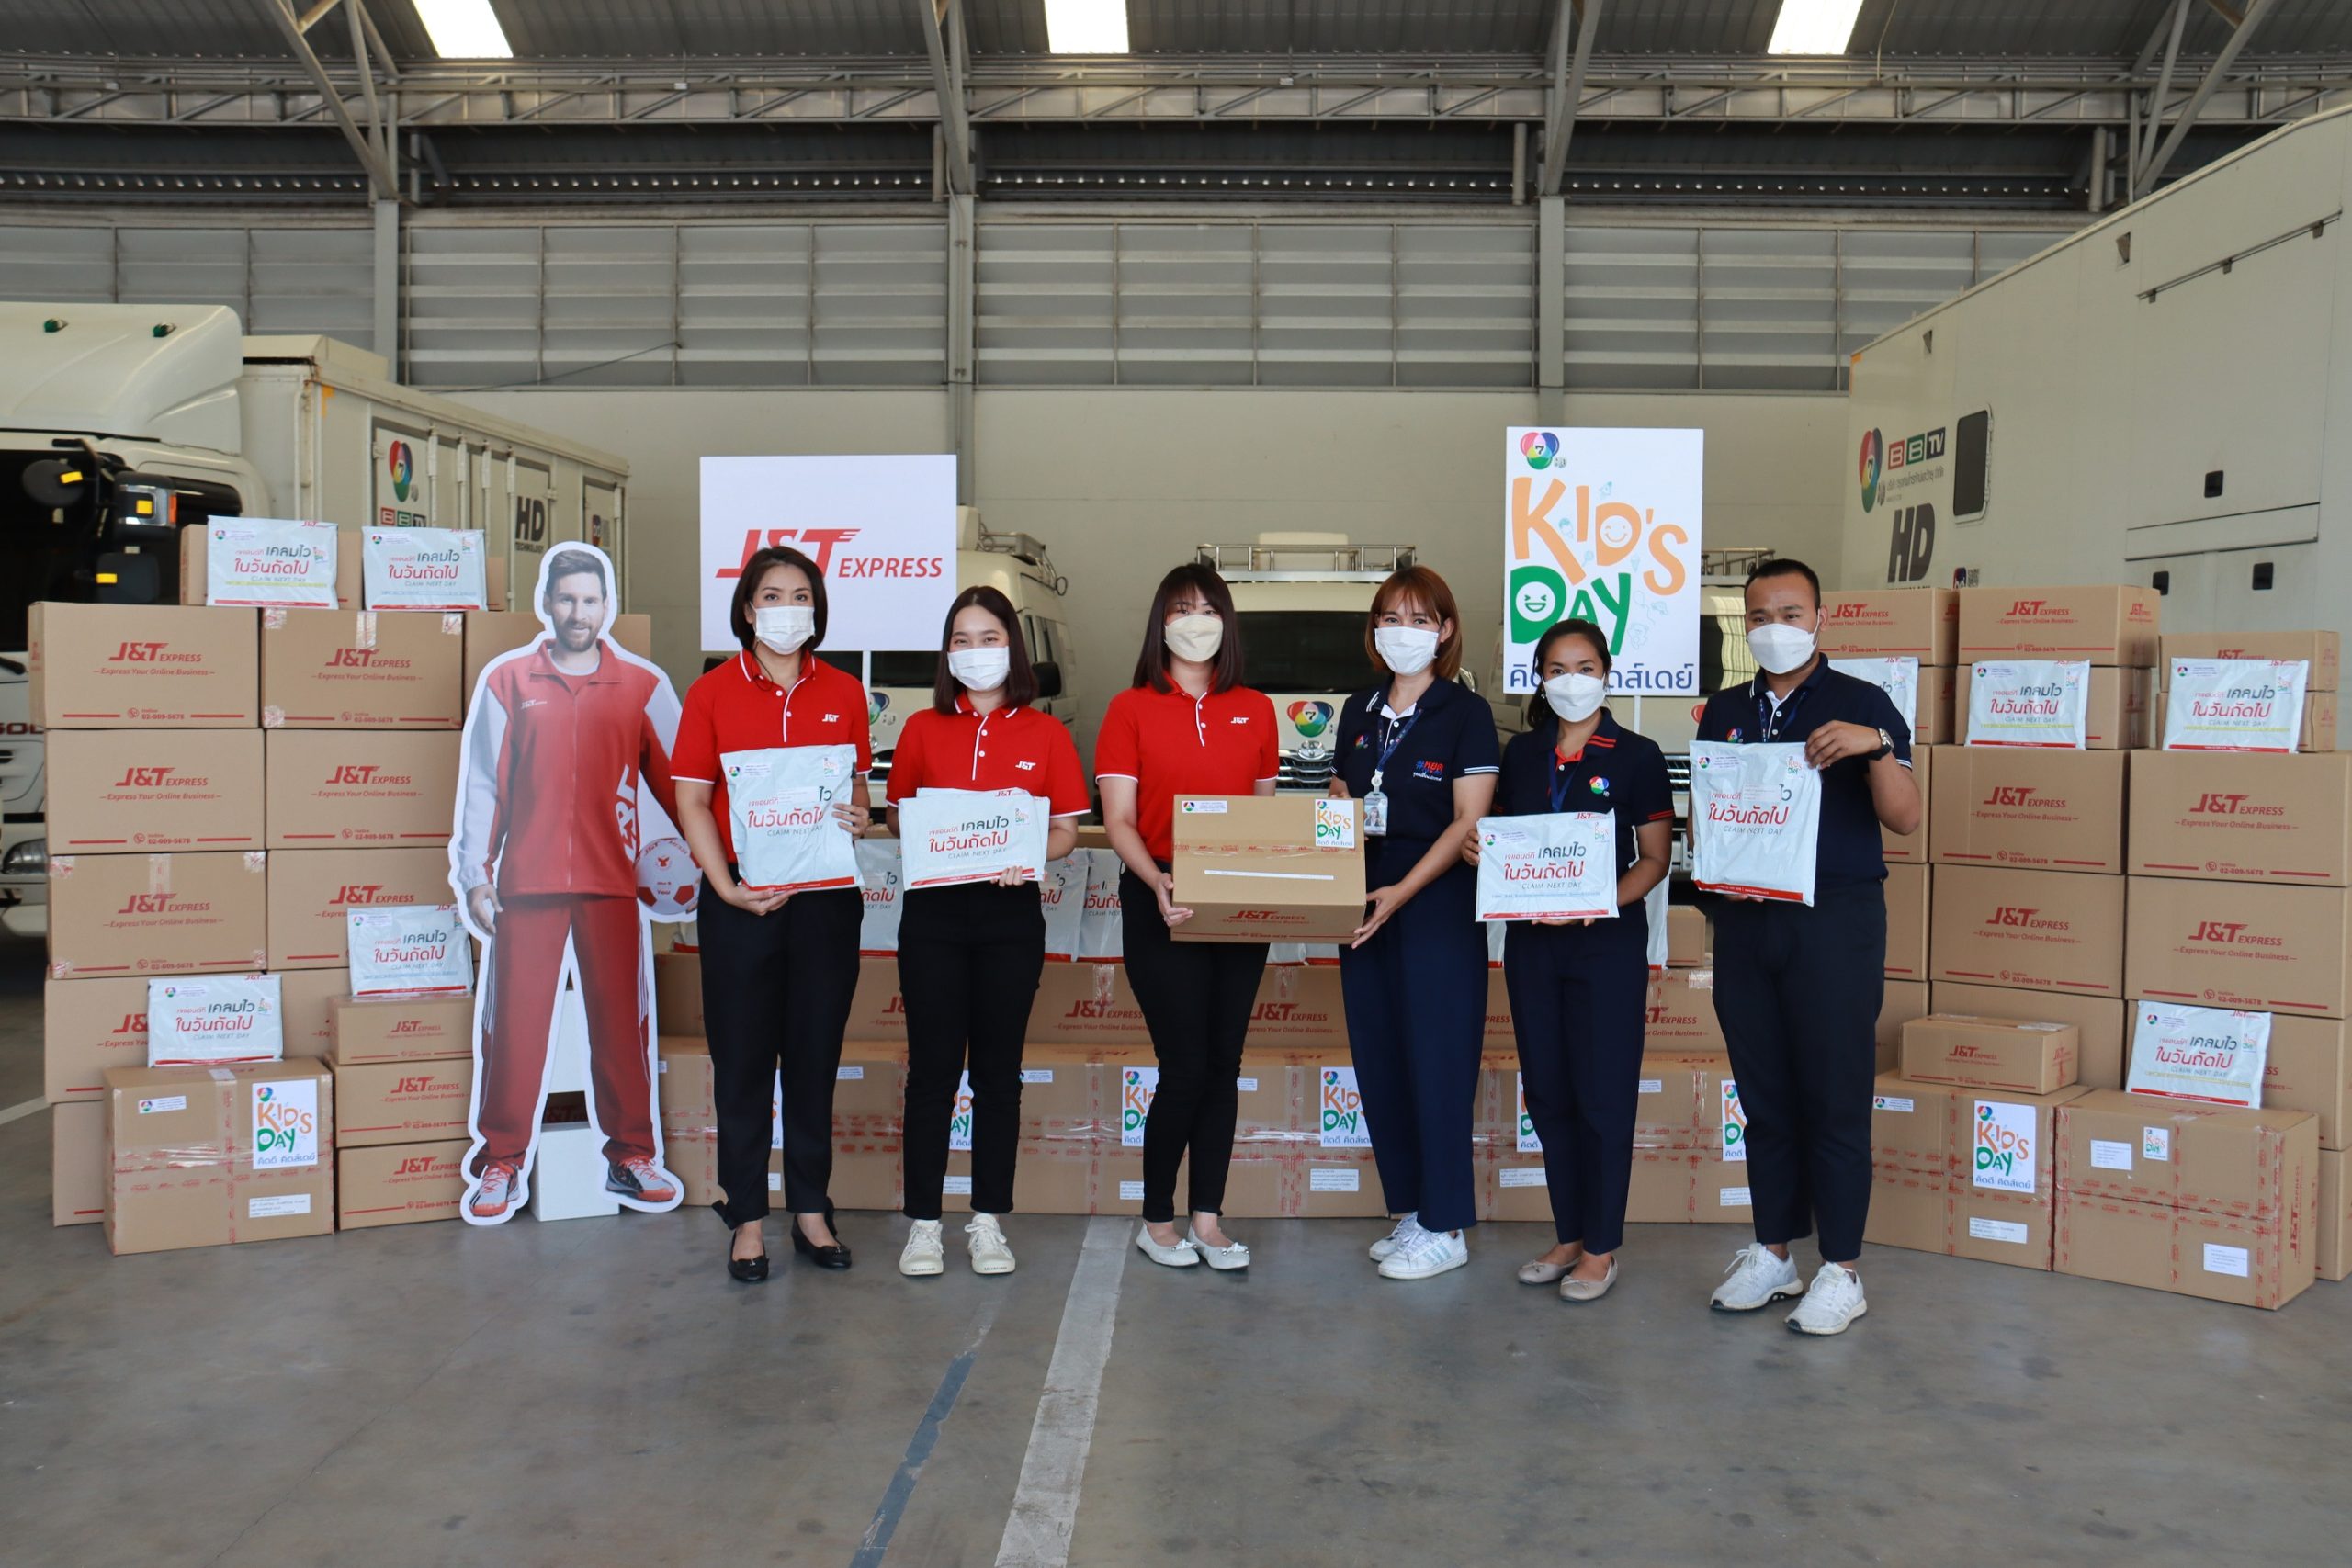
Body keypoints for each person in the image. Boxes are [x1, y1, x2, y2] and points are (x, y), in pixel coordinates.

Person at [1693, 557, 1918, 1336]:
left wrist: (1875, 746)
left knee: (1834, 1094)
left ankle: (1842, 1268)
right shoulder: (1725, 709)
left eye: (1790, 614)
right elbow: (1707, 814)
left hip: (1834, 925)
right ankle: (1773, 1252)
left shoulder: (1863, 703)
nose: (1774, 628)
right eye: (1759, 616)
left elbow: (1906, 817)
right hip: (1747, 926)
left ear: (1821, 619)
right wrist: (1719, 873)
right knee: (1764, 1097)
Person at [453, 545, 686, 1224]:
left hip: (612, 884)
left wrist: (723, 862)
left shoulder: (642, 686)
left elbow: (682, 788)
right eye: (567, 599)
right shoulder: (508, 681)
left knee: (621, 1028)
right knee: (517, 1029)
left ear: (606, 606)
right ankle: (501, 1161)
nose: (578, 612)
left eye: (590, 600)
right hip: (526, 886)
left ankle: (632, 1154)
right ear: (547, 603)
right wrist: (475, 874)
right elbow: (484, 785)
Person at [670, 545, 874, 1281]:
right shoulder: (712, 693)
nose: (788, 609)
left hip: (825, 904)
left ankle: (812, 1209)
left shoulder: (845, 691)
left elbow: (857, 789)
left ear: (817, 608)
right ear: (748, 610)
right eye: (772, 596)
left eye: (801, 596)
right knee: (744, 1063)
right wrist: (724, 886)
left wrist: (860, 813)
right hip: (741, 903)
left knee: (815, 1058)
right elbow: (692, 800)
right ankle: (748, 1217)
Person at [886, 586, 1088, 1279]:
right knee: (932, 1073)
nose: (976, 652)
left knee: (999, 1074)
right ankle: (922, 1223)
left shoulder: (1046, 734)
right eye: (962, 640)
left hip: (1009, 917)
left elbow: (1065, 831)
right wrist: (935, 830)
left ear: (1013, 648)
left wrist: (1022, 854)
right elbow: (897, 817)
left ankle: (988, 1221)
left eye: (990, 638)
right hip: (934, 918)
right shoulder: (921, 728)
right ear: (947, 653)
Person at [1474, 618, 1671, 1302]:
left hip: (1605, 945)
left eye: (1585, 668)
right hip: (1532, 945)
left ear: (1607, 674)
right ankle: (1568, 1234)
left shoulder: (1638, 754)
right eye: (1557, 670)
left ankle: (1602, 1247)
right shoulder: (1523, 754)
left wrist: (1599, 900)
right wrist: (1482, 851)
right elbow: (1503, 838)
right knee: (1548, 1092)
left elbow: (1655, 858)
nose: (1571, 681)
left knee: (1603, 1095)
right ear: (1540, 679)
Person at [1096, 563, 1279, 1270]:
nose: (1195, 620)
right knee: (1184, 1064)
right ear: (1160, 622)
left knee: (1223, 1063)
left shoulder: (1255, 708)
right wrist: (1157, 880)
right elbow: (1118, 819)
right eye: (1180, 607)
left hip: (1236, 901)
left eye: (1208, 607)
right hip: (1161, 897)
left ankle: (1208, 1217)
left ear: (1227, 621)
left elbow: (1262, 814)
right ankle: (1157, 1218)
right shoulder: (1129, 707)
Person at [1326, 567, 1498, 1280]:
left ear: (1445, 630)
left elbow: (1468, 820)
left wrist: (1399, 892)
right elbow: (1342, 796)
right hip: (1363, 898)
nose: (1404, 631)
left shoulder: (1465, 712)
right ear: (1375, 628)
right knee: (1381, 1055)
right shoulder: (1358, 709)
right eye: (1391, 618)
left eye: (1420, 619)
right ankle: (1413, 1209)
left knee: (1438, 1059)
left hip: (1435, 899)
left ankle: (1448, 1222)